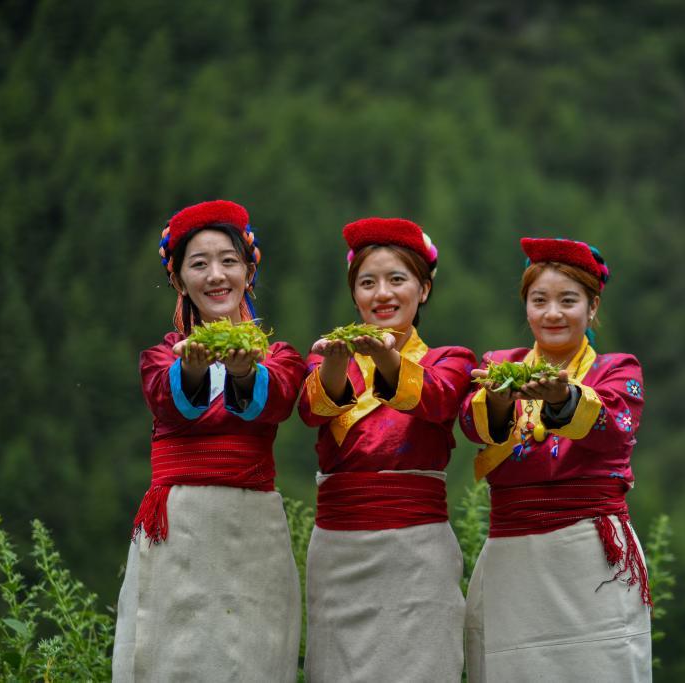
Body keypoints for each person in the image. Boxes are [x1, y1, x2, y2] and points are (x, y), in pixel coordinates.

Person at [112, 200, 304, 682]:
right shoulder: (161, 358)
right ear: (179, 280)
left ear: (248, 272)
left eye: (228, 261)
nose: (216, 275)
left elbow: (279, 399)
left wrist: (245, 373)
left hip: (253, 530)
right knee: (170, 657)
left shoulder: (279, 358)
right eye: (199, 264)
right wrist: (193, 369)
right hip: (180, 527)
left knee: (254, 658)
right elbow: (167, 399)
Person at [460, 237, 652, 682]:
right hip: (513, 554)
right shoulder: (498, 366)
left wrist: (565, 399)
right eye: (539, 300)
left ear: (592, 306)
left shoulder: (618, 371)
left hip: (592, 553)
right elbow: (471, 425)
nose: (552, 313)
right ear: (525, 307)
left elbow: (615, 428)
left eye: (568, 301)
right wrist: (499, 399)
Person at [298, 217, 475, 682]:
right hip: (338, 550)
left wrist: (383, 355)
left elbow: (436, 398)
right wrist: (335, 365)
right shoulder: (327, 357)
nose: (382, 294)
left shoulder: (450, 361)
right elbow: (312, 410)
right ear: (354, 295)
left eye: (397, 280)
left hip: (418, 549)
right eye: (367, 283)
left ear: (424, 289)